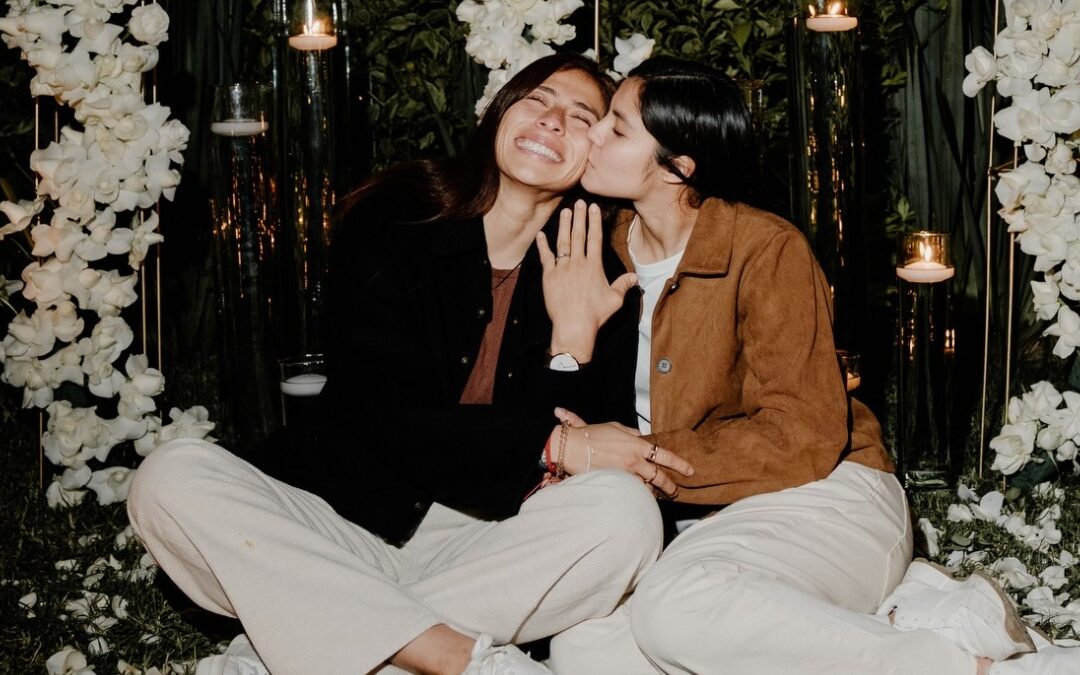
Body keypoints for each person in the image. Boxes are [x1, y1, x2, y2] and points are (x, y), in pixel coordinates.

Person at [126, 53, 665, 675]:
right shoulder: (399, 216)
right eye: (537, 100)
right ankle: (456, 657)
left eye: (579, 117)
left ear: (594, 154)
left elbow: (586, 460)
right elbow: (387, 415)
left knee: (623, 516)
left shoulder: (604, 275)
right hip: (337, 526)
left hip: (486, 546)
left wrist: (571, 342)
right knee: (171, 475)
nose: (550, 122)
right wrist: (551, 446)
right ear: (500, 110)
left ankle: (294, 648)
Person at [534, 56, 1074, 674]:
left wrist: (642, 458)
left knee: (676, 609)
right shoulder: (592, 246)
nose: (591, 135)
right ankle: (907, 618)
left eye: (617, 129)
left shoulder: (765, 247)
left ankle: (978, 669)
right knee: (585, 651)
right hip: (701, 519)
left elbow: (801, 435)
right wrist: (571, 345)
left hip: (824, 494)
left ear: (678, 169)